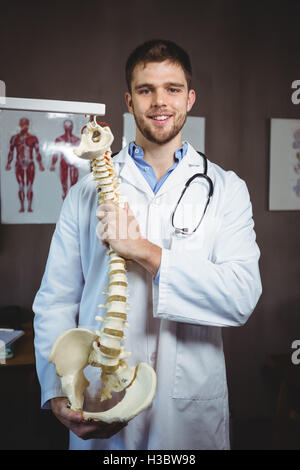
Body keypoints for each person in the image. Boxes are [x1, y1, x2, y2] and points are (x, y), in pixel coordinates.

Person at [33, 39, 262, 450]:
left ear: (190, 98)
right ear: (129, 99)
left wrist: (142, 250)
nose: (160, 101)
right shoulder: (86, 191)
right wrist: (56, 390)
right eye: (146, 90)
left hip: (188, 408)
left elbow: (241, 295)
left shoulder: (226, 189)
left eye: (173, 89)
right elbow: (56, 299)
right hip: (98, 398)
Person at [6, 117, 45, 212]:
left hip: (30, 164)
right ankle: (22, 206)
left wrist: (40, 164)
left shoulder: (33, 138)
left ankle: (29, 207)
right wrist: (8, 163)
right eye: (23, 124)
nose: (25, 126)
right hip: (19, 164)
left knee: (29, 186)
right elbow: (11, 152)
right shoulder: (14, 138)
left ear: (28, 125)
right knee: (21, 186)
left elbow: (37, 152)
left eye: (26, 124)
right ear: (20, 125)